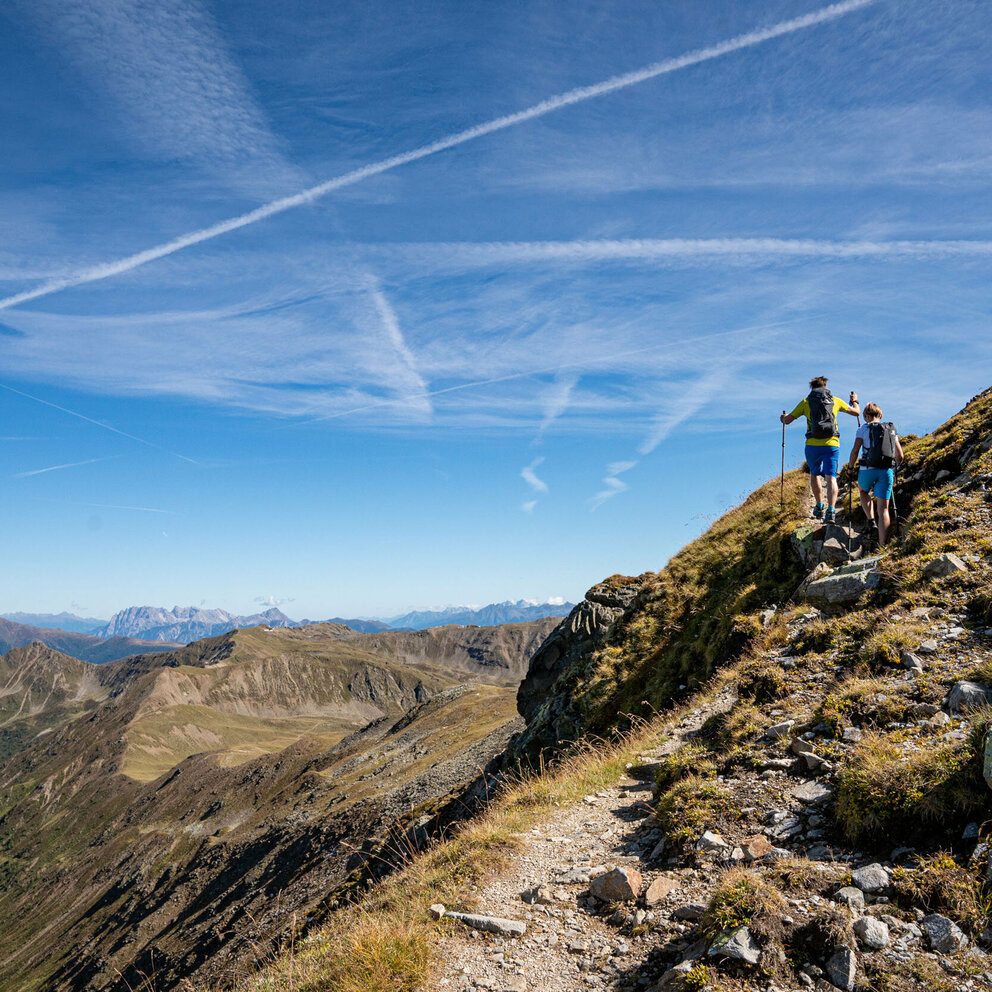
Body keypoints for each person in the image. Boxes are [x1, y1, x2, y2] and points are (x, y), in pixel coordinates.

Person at [781, 376, 861, 524]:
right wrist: (854, 400)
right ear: (825, 386)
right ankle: (831, 510)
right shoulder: (835, 401)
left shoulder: (806, 403)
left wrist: (783, 417)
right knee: (831, 477)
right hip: (832, 444)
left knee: (814, 474)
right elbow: (856, 412)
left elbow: (787, 420)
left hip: (812, 444)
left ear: (812, 388)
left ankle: (819, 505)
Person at [847, 402, 904, 546]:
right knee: (884, 509)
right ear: (880, 415)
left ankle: (871, 520)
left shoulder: (863, 429)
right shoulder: (890, 429)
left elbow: (855, 450)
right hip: (886, 471)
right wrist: (895, 466)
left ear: (866, 415)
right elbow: (900, 455)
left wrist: (850, 467)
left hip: (867, 470)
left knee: (863, 491)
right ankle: (882, 544)